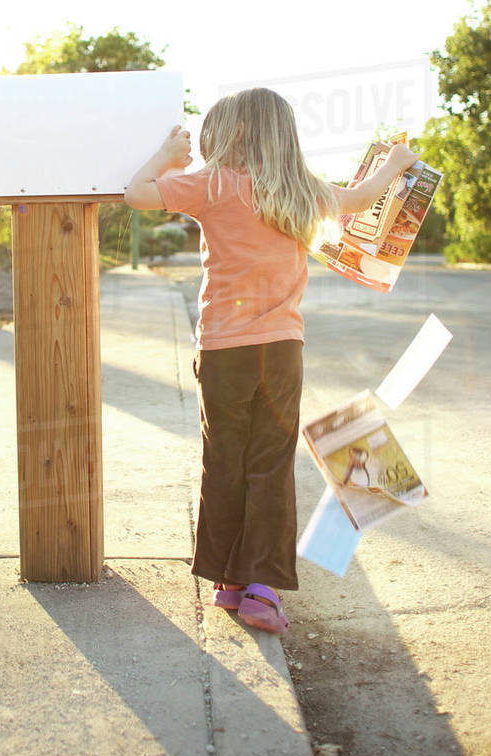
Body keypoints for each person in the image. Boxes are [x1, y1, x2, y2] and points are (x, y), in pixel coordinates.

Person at [124, 87, 419, 634]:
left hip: (221, 351)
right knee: (270, 466)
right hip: (282, 350)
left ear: (232, 134)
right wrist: (397, 164)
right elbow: (362, 198)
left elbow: (135, 194)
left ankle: (227, 582)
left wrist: (168, 155)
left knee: (224, 462)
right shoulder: (302, 191)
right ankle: (260, 588)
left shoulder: (213, 184)